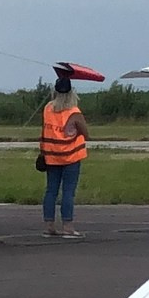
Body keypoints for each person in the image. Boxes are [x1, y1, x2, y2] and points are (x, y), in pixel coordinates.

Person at [39, 74, 90, 238]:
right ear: (71, 93)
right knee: (68, 192)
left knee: (51, 191)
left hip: (51, 155)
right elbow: (86, 133)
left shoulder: (47, 109)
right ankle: (68, 227)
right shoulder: (74, 112)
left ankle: (49, 226)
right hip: (71, 156)